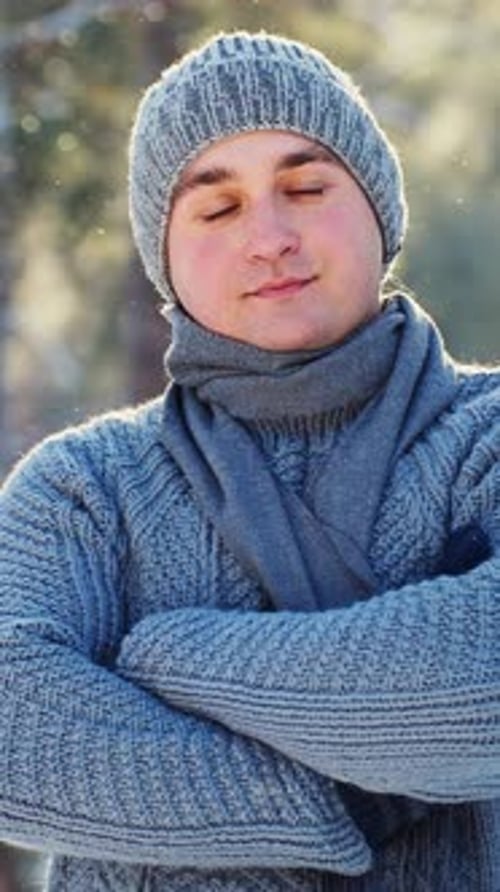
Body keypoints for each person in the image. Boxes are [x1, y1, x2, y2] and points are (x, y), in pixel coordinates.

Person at [0, 29, 499, 892]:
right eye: (217, 207)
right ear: (165, 255)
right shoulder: (85, 488)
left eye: (306, 187)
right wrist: (349, 799)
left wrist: (164, 658)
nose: (268, 236)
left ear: (381, 209)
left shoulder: (485, 439)